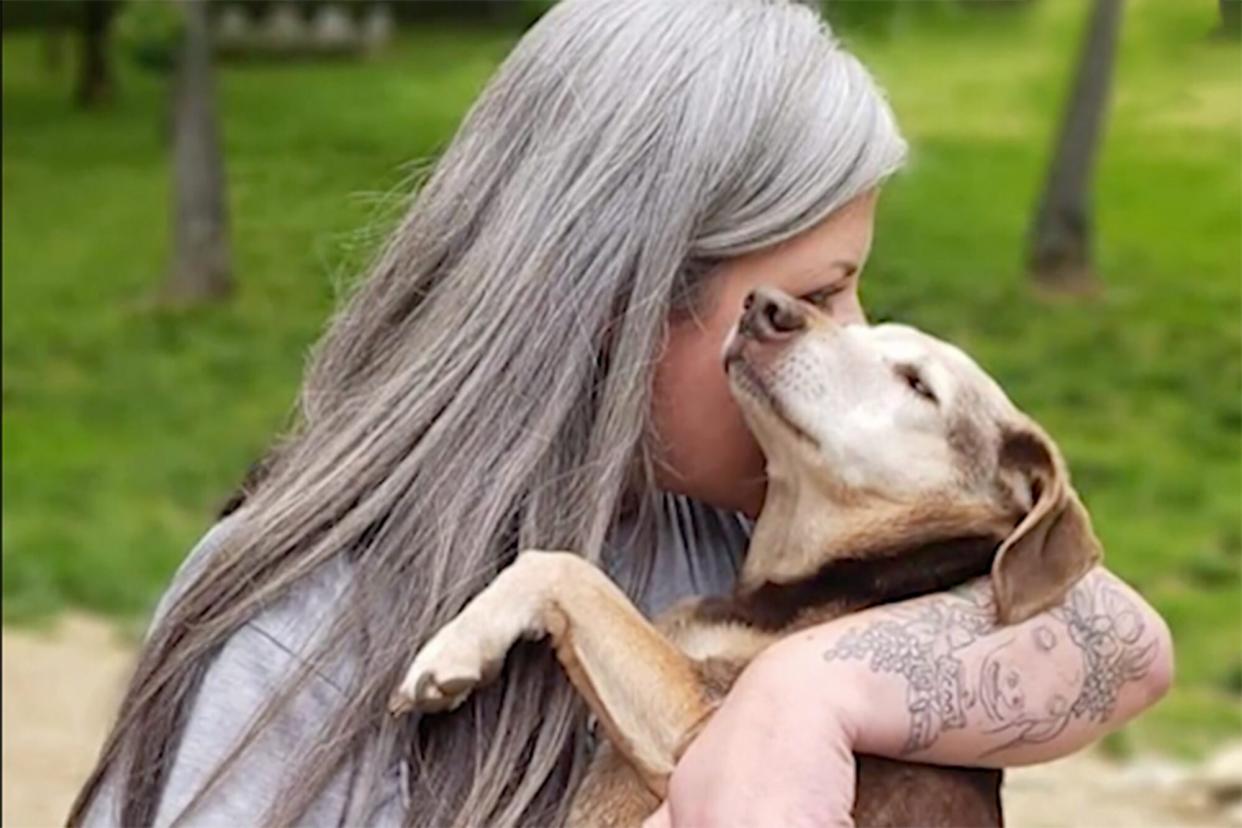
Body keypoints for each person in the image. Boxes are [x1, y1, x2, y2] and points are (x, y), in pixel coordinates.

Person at [71, 1, 1173, 826]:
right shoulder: (302, 631)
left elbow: (1123, 637)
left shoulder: (762, 537)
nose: (837, 331)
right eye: (820, 293)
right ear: (620, 303)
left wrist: (806, 695)